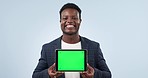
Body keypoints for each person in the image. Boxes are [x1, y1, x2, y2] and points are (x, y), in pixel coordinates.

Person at [32, 3, 111, 78]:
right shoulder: (47, 48)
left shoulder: (94, 46)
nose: (69, 21)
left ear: (80, 21)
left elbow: (108, 75)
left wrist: (94, 74)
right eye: (65, 18)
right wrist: (48, 73)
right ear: (60, 22)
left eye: (74, 18)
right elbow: (35, 75)